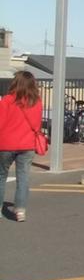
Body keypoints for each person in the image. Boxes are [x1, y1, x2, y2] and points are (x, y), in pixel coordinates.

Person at [0, 70, 43, 222]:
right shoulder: (36, 101)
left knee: (1, 176)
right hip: (27, 145)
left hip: (6, 144)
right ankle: (20, 211)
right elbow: (37, 125)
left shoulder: (6, 100)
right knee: (23, 178)